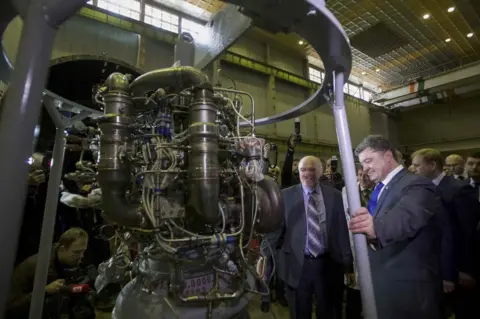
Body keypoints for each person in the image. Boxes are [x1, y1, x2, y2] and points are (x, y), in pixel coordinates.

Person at [350, 135, 443, 319]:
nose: (365, 168)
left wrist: (374, 227)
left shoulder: (417, 184)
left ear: (387, 156)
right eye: (362, 163)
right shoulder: (381, 188)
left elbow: (406, 217)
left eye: (369, 160)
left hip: (408, 290)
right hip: (386, 281)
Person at [262, 156, 353, 319]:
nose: (307, 174)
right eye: (304, 169)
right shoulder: (284, 196)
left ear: (320, 171)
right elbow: (274, 230)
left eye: (312, 169)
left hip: (328, 265)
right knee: (299, 312)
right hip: (297, 265)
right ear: (298, 172)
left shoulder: (335, 196)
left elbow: (341, 231)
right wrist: (263, 256)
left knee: (327, 311)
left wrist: (348, 264)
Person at [8, 227, 91, 318]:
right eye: (77, 252)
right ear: (62, 249)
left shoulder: (71, 262)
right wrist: (44, 291)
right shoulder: (35, 267)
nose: (81, 256)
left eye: (83, 251)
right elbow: (12, 307)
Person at [341, 166, 374, 319]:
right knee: (354, 291)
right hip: (352, 245)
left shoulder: (379, 191)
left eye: (366, 175)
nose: (363, 178)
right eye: (360, 175)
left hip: (374, 246)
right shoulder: (347, 191)